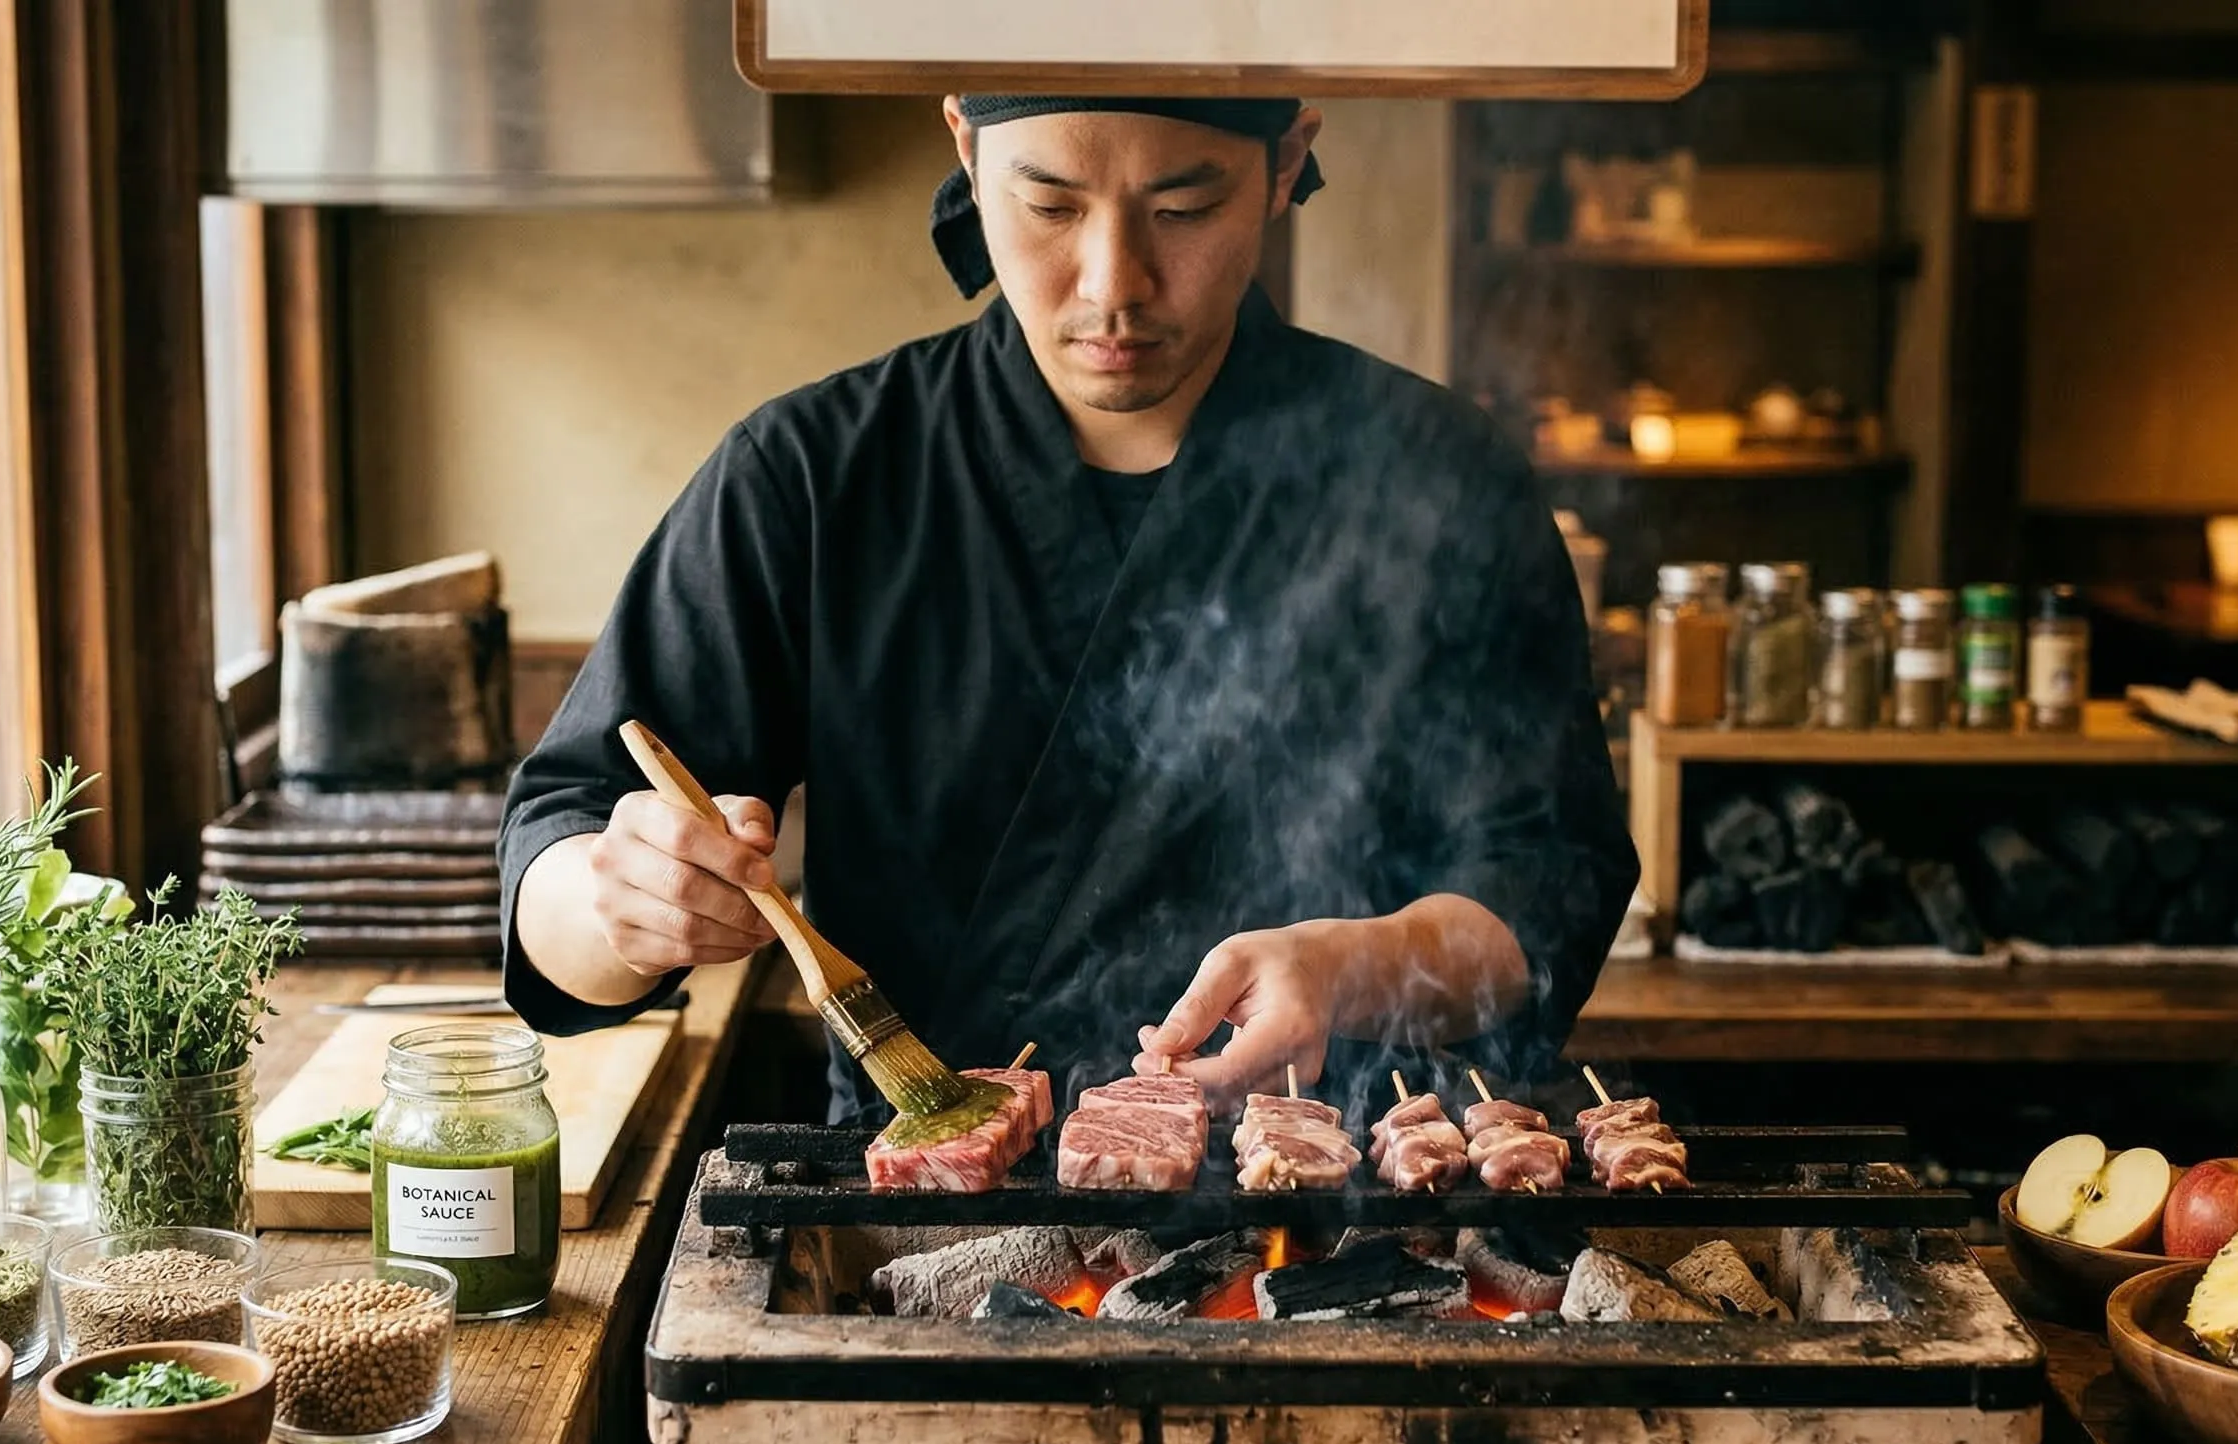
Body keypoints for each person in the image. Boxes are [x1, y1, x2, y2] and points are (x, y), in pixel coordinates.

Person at [502, 94, 1636, 1123]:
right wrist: (620, 906)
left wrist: (1350, 970)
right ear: (964, 146)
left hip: (1335, 1221)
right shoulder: (814, 473)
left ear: (1287, 160)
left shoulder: (1435, 477)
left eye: (1184, 207)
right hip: (930, 1226)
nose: (1112, 284)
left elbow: (1548, 882)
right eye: (1046, 203)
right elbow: (564, 836)